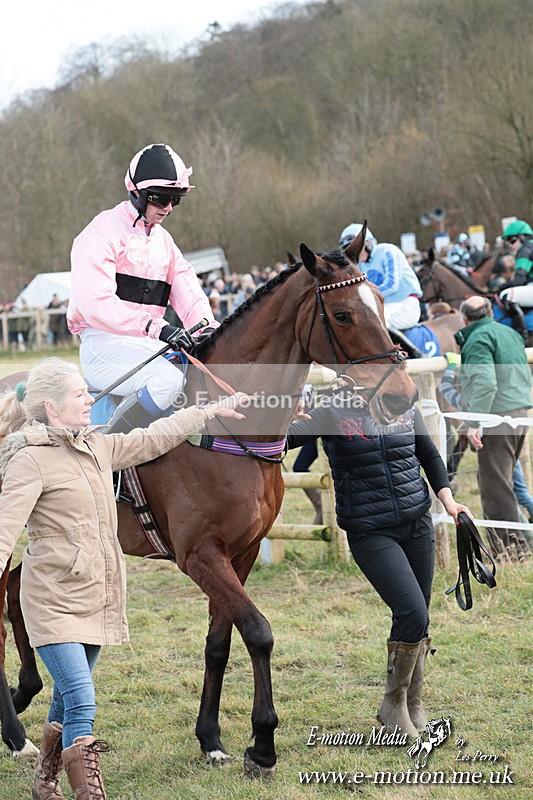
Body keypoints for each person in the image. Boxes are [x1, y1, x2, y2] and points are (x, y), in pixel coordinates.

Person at [0, 357, 248, 800]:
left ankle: (45, 779)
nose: (90, 399)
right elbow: (2, 534)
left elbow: (153, 438)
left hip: (96, 594)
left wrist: (208, 411)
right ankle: (88, 791)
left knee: (66, 696)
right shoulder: (29, 463)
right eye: (80, 394)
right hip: (52, 599)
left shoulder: (97, 447)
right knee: (82, 697)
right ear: (53, 408)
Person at [286, 389, 471, 739]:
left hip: (417, 523)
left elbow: (428, 454)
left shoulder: (403, 403)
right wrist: (284, 412)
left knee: (420, 615)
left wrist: (449, 502)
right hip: (370, 531)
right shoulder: (331, 411)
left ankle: (412, 704)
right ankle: (392, 702)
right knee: (412, 611)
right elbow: (281, 441)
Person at [67, 143, 219, 430]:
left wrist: (207, 327)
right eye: (161, 198)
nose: (169, 207)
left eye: (176, 199)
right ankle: (110, 453)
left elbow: (188, 288)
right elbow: (96, 304)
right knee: (168, 381)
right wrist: (156, 327)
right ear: (136, 192)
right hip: (102, 343)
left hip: (148, 345)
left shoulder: (164, 242)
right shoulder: (100, 233)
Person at [454, 296, 532, 561]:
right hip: (519, 411)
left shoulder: (476, 339)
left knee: (495, 487)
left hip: (497, 417)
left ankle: (512, 552)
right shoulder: (508, 332)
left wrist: (475, 422)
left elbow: (486, 384)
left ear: (464, 319)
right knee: (504, 483)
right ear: (489, 312)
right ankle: (521, 544)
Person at [438, 352, 533, 538]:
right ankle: (526, 535)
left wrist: (450, 367)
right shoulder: (493, 396)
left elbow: (445, 388)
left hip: (494, 449)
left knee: (511, 494)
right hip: (507, 444)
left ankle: (525, 536)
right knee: (519, 492)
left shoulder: (468, 402)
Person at [338, 223, 423, 333]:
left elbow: (392, 285)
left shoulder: (388, 251)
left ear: (368, 243)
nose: (356, 254)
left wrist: (362, 297)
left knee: (375, 322)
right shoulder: (359, 265)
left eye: (358, 249)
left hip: (406, 302)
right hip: (382, 306)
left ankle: (414, 351)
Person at [496, 219, 533, 343]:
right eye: (508, 242)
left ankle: (523, 338)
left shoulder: (525, 250)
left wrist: (500, 287)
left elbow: (519, 280)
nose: (511, 246)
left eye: (512, 241)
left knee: (508, 295)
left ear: (522, 237)